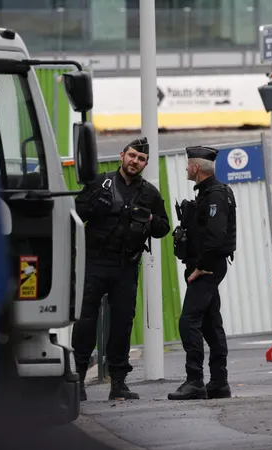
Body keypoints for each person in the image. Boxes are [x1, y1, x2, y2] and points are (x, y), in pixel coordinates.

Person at [71, 137, 171, 401]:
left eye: (140, 159)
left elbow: (163, 228)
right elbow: (75, 213)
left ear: (146, 163)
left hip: (126, 266)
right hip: (94, 263)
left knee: (122, 325)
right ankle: (78, 380)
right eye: (132, 156)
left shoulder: (149, 193)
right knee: (85, 322)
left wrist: (148, 218)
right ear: (122, 155)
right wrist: (94, 207)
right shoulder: (100, 182)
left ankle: (118, 383)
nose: (135, 161)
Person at [168, 145, 236, 401]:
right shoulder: (208, 194)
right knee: (211, 323)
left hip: (207, 267)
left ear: (196, 168)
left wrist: (200, 267)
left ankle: (195, 380)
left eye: (188, 165)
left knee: (188, 321)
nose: (186, 168)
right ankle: (219, 382)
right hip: (206, 265)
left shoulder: (216, 195)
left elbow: (216, 236)